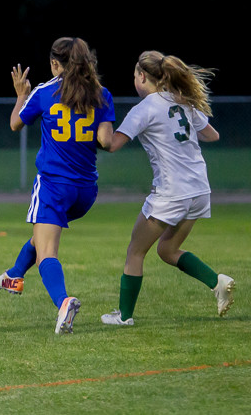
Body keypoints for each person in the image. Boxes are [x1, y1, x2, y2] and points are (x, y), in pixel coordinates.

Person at [0, 37, 115, 334]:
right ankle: (14, 276)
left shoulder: (45, 92)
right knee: (42, 234)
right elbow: (106, 141)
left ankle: (63, 302)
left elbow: (15, 124)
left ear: (56, 64)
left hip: (54, 186)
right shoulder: (101, 93)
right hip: (86, 191)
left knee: (47, 252)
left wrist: (21, 94)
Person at [100, 51, 234, 326]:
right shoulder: (181, 101)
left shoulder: (144, 109)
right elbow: (213, 135)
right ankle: (217, 282)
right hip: (199, 190)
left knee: (135, 251)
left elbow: (111, 145)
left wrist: (98, 121)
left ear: (142, 76)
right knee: (167, 250)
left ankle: (124, 317)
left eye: (134, 76)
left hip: (172, 192)